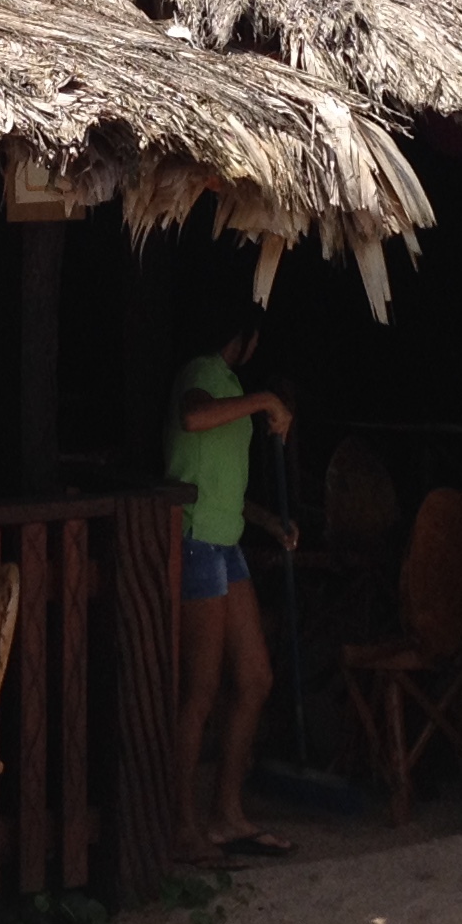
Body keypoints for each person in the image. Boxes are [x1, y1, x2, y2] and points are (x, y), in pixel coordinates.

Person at [166, 301, 296, 862]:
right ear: (247, 337)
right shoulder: (200, 372)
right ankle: (180, 825)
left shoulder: (229, 382)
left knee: (255, 677)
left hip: (227, 542)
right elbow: (193, 418)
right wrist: (266, 400)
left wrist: (268, 521)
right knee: (200, 691)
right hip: (196, 543)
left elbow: (220, 481)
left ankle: (226, 814)